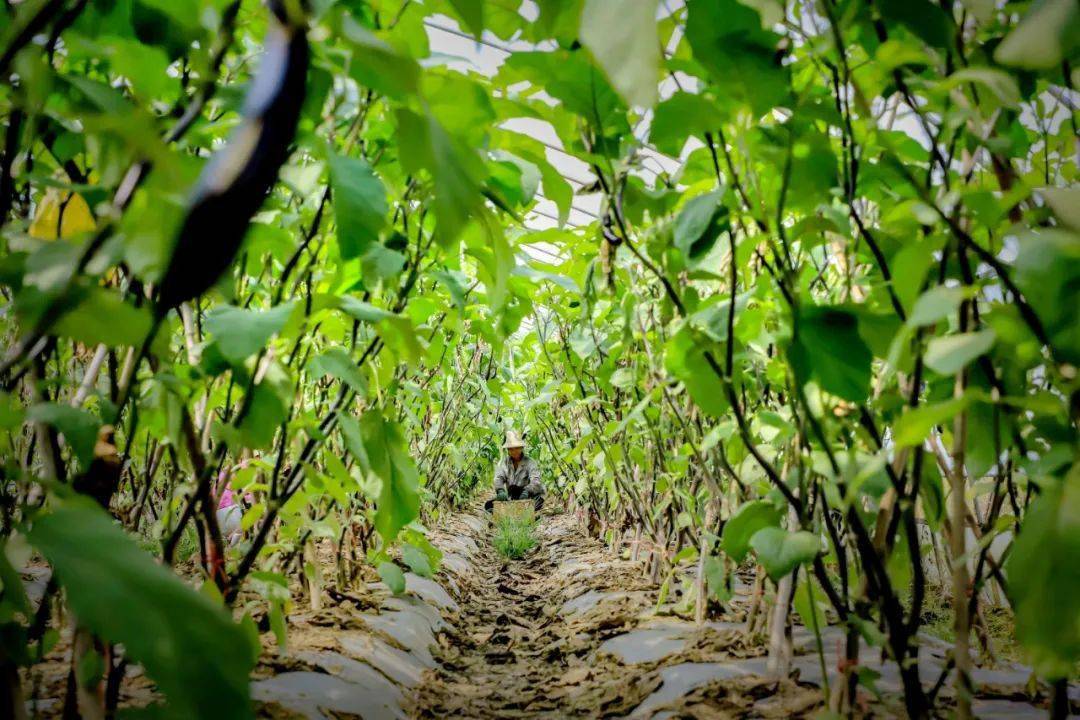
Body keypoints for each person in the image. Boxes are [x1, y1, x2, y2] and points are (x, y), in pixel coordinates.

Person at [484, 430, 544, 512]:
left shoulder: (530, 462)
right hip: (512, 496)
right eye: (511, 449)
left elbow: (536, 481)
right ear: (508, 450)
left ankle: (525, 511)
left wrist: (527, 491)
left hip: (528, 495)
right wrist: (500, 490)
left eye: (517, 448)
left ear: (522, 448)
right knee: (489, 505)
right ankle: (511, 509)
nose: (514, 451)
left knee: (537, 501)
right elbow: (499, 477)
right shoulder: (505, 463)